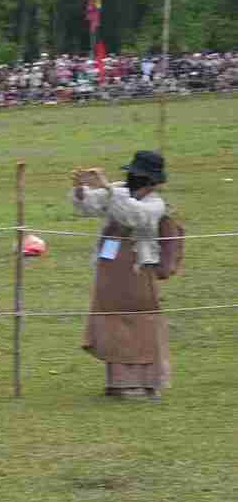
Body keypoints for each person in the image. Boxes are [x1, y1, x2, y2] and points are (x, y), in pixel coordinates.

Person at [72, 151, 170, 399]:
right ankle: (119, 383)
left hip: (139, 269)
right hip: (110, 267)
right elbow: (90, 206)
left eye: (138, 175)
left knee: (140, 323)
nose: (132, 178)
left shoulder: (155, 203)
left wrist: (107, 187)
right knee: (112, 323)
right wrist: (81, 188)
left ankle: (145, 384)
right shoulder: (119, 190)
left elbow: (134, 216)